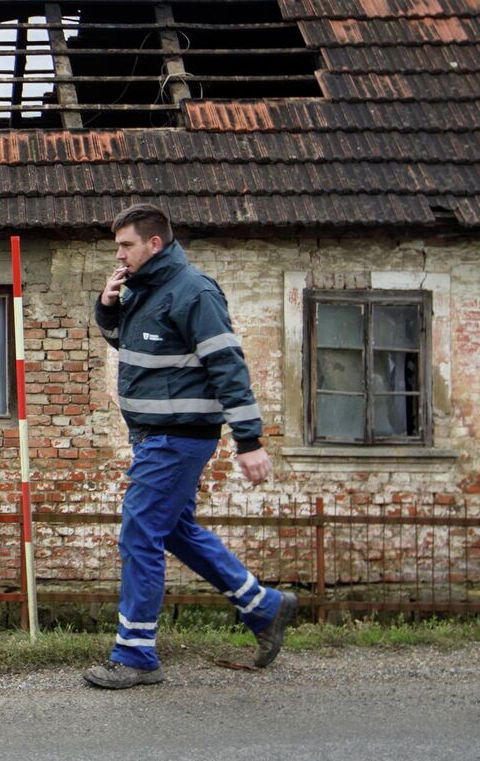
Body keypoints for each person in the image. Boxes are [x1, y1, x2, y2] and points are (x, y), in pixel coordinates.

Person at [81, 202, 298, 690]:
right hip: (153, 436)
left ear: (153, 244)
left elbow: (228, 366)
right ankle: (263, 606)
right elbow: (130, 348)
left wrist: (249, 441)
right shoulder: (143, 289)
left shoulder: (194, 292)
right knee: (173, 529)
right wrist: (108, 306)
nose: (118, 254)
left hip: (178, 438)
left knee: (140, 533)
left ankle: (135, 653)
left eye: (125, 245)